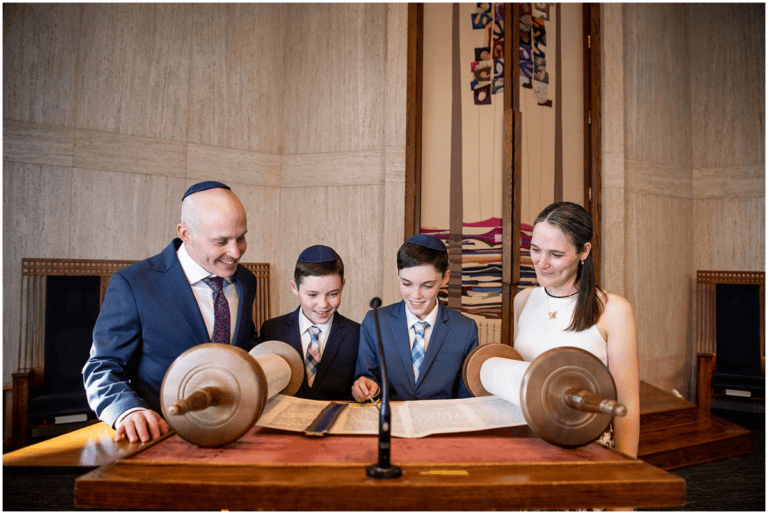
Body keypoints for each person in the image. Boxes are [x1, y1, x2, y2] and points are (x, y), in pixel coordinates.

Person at [83, 181, 259, 443]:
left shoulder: (245, 280)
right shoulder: (133, 284)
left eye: (241, 237)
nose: (235, 252)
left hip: (236, 434)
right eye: (221, 241)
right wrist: (127, 411)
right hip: (161, 435)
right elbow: (102, 366)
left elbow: (244, 344)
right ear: (185, 233)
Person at [514, 201, 640, 457]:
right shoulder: (524, 300)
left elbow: (626, 403)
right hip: (529, 441)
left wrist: (627, 469)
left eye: (556, 254)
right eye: (535, 250)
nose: (541, 262)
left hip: (585, 445)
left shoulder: (613, 310)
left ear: (584, 251)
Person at [352, 234, 479, 402]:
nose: (416, 295)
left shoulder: (465, 329)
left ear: (445, 277)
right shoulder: (374, 322)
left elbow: (467, 398)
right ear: (397, 273)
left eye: (427, 286)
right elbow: (366, 378)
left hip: (442, 425)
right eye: (407, 284)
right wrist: (365, 387)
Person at [258, 245, 359, 401]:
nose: (323, 304)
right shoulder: (272, 330)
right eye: (312, 295)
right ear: (294, 287)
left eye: (333, 294)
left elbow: (365, 381)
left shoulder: (357, 334)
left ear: (342, 285)